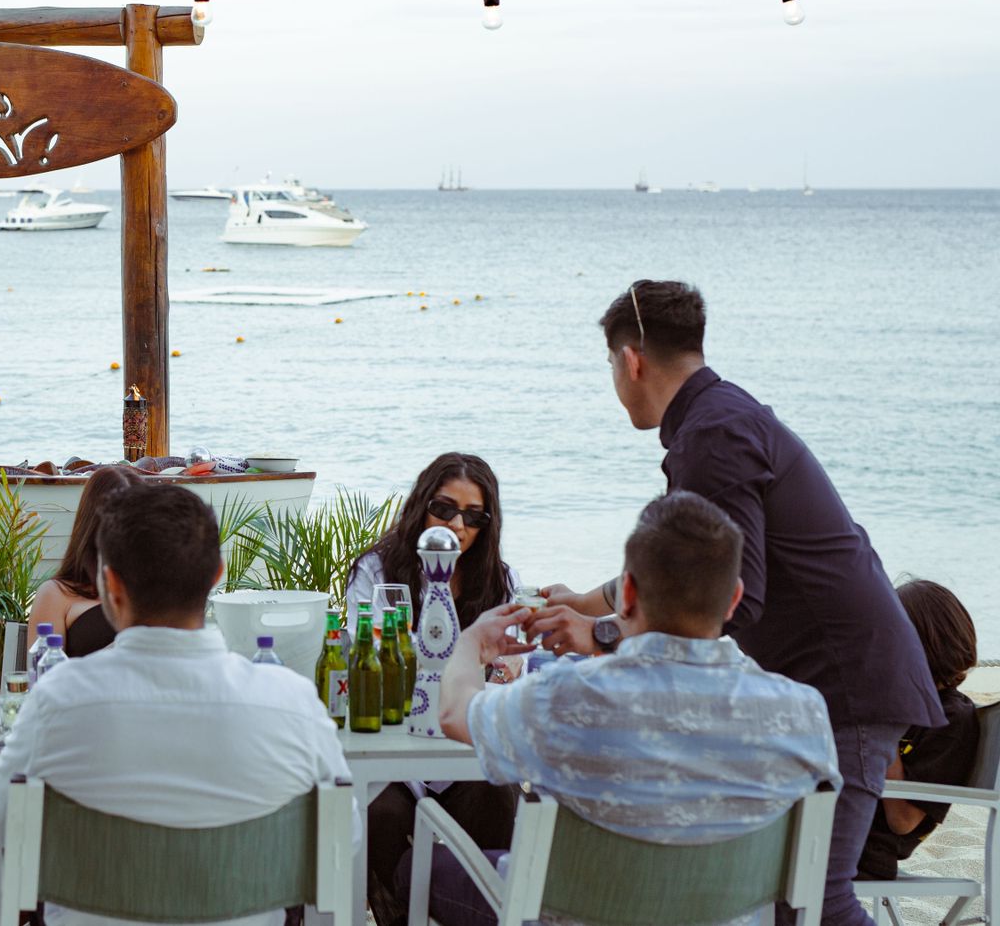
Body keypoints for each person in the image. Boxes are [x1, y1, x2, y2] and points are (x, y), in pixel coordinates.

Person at [529, 280, 943, 926]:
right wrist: (588, 602)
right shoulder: (718, 417)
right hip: (842, 677)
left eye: (610, 364)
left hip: (849, 685)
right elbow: (691, 565)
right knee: (781, 899)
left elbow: (729, 600)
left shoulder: (713, 434)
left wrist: (603, 635)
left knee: (816, 902)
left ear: (631, 361)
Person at [403, 492, 840, 926]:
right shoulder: (802, 715)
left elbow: (454, 714)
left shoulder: (567, 698)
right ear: (733, 598)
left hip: (568, 913)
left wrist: (469, 643)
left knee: (415, 869)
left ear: (626, 592)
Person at [0, 482, 354, 926]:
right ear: (217, 574)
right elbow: (342, 836)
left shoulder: (57, 700)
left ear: (110, 583)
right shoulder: (290, 703)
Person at [346, 453, 520, 926]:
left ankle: (481, 911)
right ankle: (396, 915)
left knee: (498, 797)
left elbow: (509, 665)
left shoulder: (499, 582)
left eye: (473, 515)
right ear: (423, 505)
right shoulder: (377, 572)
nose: (457, 525)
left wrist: (506, 669)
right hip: (394, 753)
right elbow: (368, 657)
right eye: (444, 509)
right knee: (380, 814)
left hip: (462, 749)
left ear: (487, 524)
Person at [857, 579, 981, 880]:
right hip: (838, 825)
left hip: (864, 848)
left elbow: (903, 820)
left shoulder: (950, 719)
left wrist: (883, 732)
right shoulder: (902, 704)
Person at [28, 464, 140, 657]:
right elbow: (43, 680)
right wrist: (122, 647)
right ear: (95, 526)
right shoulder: (56, 594)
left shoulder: (153, 587)